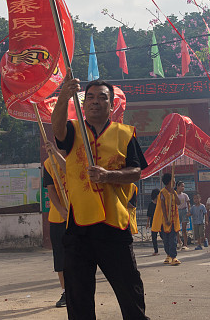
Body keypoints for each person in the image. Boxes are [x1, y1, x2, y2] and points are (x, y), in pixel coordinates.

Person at [52, 75, 150, 320]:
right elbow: (57, 130)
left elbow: (136, 171)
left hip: (113, 225)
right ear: (83, 104)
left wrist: (109, 176)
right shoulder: (73, 130)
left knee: (130, 289)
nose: (96, 102)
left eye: (102, 98)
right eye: (91, 97)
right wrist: (63, 97)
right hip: (79, 226)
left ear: (112, 104)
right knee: (78, 294)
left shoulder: (125, 134)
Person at [42, 139, 68, 308]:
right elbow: (50, 190)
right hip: (59, 218)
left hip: (81, 216)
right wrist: (62, 210)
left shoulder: (78, 158)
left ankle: (80, 289)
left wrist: (57, 154)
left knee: (81, 256)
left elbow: (71, 171)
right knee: (60, 258)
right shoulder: (48, 163)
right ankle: (66, 291)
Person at [151, 172, 180, 265]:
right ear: (169, 182)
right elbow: (162, 207)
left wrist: (174, 194)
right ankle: (168, 255)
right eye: (173, 179)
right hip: (165, 221)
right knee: (166, 240)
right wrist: (166, 219)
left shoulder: (173, 192)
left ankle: (173, 256)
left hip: (173, 220)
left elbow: (178, 202)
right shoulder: (162, 193)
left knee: (173, 239)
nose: (175, 181)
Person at [175, 181, 191, 250]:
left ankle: (185, 244)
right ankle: (179, 241)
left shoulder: (185, 195)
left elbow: (188, 204)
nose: (183, 188)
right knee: (177, 229)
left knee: (184, 229)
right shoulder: (174, 195)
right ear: (177, 187)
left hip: (184, 211)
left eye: (183, 186)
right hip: (177, 212)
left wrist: (189, 211)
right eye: (181, 186)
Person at [147, 188, 160, 256]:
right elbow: (149, 215)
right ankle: (156, 250)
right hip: (153, 222)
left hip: (160, 221)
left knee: (163, 235)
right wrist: (148, 223)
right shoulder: (151, 204)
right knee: (154, 237)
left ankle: (168, 248)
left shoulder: (160, 204)